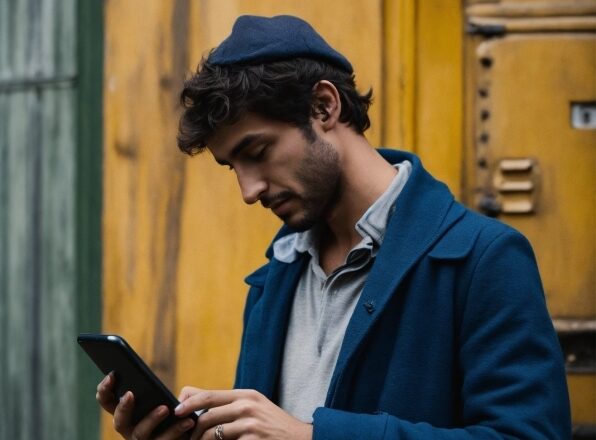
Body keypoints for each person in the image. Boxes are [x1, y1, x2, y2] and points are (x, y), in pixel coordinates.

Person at [96, 14, 571, 440]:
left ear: (324, 107)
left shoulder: (484, 257)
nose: (248, 190)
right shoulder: (273, 276)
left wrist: (313, 437)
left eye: (257, 153)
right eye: (231, 167)